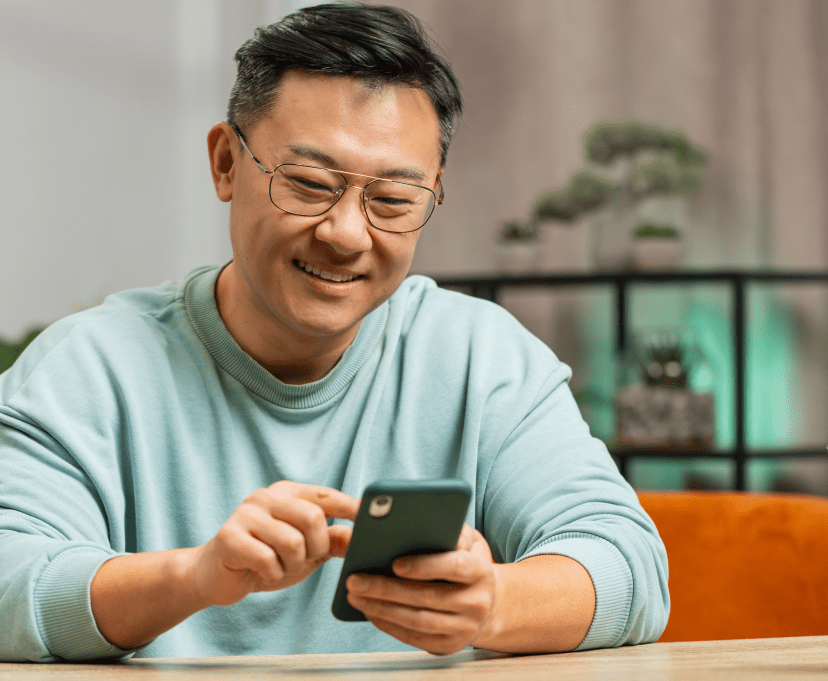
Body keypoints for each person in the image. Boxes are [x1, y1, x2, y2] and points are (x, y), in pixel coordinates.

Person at [0, 3, 668, 662]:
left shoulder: (479, 358)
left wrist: (494, 601)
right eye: (310, 183)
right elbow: (11, 581)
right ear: (227, 163)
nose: (346, 234)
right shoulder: (86, 370)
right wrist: (193, 577)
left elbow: (628, 565)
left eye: (393, 202)